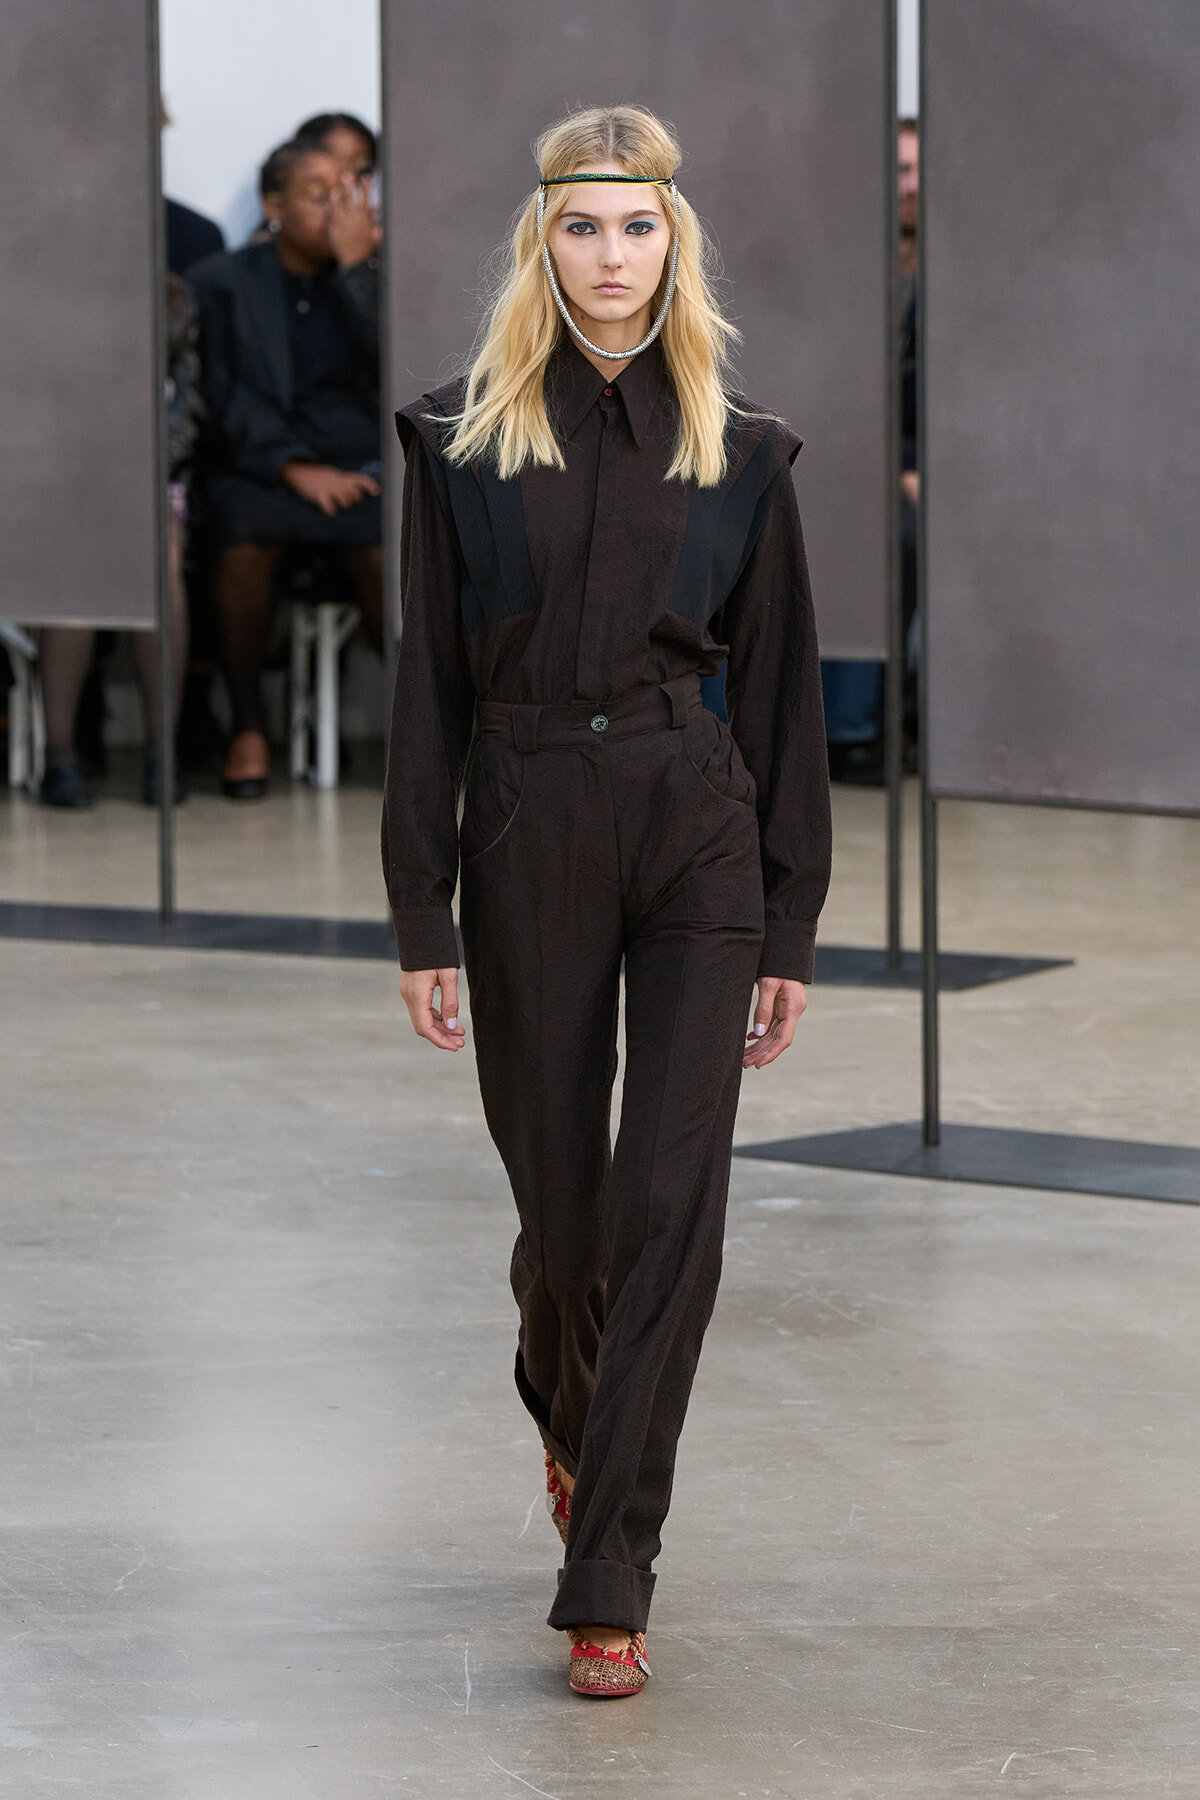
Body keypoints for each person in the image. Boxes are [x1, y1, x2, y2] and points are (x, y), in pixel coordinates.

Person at [382, 105, 831, 1698]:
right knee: (565, 1219)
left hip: (692, 824)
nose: (611, 257)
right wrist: (420, 911)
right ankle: (570, 1415)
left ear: (672, 242)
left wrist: (791, 925)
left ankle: (608, 1575)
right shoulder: (457, 440)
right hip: (525, 818)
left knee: (671, 1211)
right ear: (543, 242)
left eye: (636, 229)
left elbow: (779, 704)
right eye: (584, 228)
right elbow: (425, 684)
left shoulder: (744, 446)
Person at [191, 139, 382, 799]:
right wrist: (293, 468)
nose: (340, 208)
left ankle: (422, 731)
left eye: (351, 190)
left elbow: (401, 378)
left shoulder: (379, 272)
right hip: (262, 468)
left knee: (396, 539)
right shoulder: (222, 281)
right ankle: (246, 725)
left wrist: (360, 270)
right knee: (240, 538)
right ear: (274, 207)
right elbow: (221, 397)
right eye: (319, 194)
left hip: (359, 464)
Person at [37, 274, 199, 809]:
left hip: (150, 475)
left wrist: (135, 469)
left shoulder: (172, 295)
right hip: (57, 480)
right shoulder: (38, 294)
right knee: (78, 571)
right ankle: (57, 756)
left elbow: (189, 408)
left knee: (163, 564)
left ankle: (162, 755)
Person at [823, 114, 921, 784]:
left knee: (897, 535)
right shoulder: (852, 260)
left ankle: (868, 730)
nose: (907, 184)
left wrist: (914, 464)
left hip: (916, 458)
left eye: (917, 169)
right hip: (853, 452)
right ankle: (843, 732)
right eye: (898, 169)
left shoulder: (953, 269)